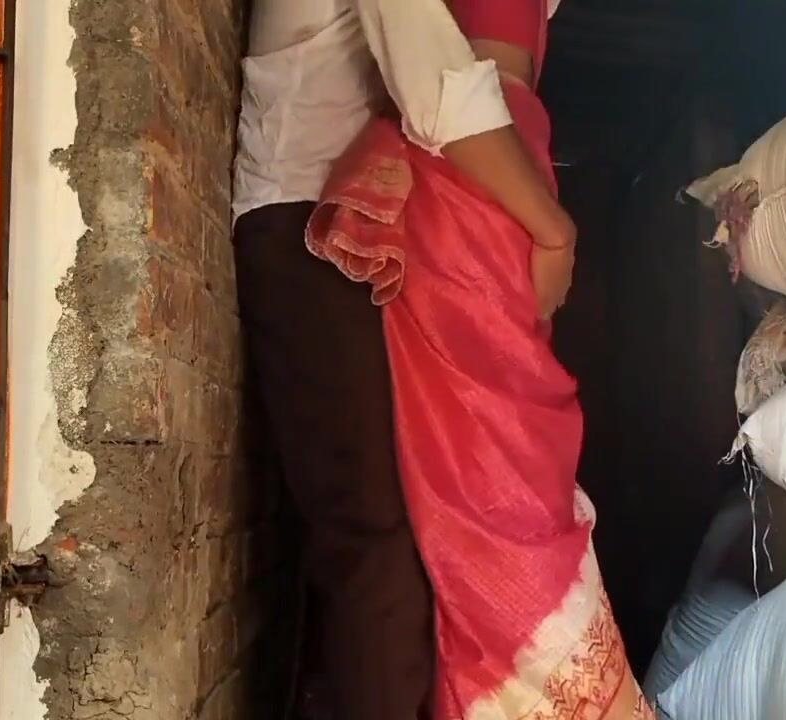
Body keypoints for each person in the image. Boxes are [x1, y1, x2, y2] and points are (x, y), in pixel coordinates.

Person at [307, 0, 654, 716]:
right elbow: (437, 80)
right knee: (494, 460)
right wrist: (554, 231)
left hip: (502, 151)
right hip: (473, 156)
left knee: (513, 452)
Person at [231, 1, 574, 718]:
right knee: (378, 544)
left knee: (392, 544)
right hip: (309, 219)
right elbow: (439, 88)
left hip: (355, 222)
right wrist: (553, 231)